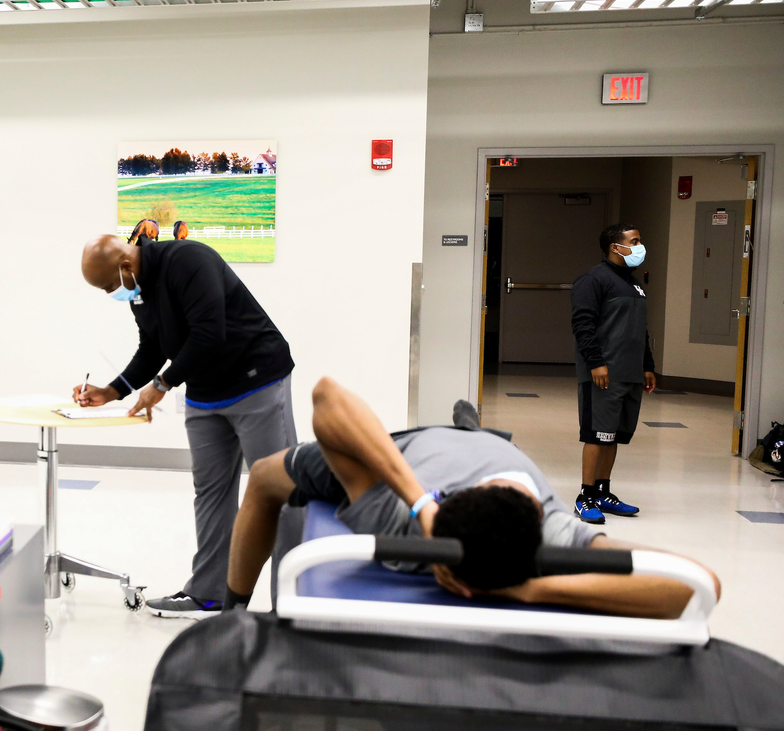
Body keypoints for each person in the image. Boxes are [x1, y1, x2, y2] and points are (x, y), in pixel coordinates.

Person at [225, 377, 719, 618]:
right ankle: (233, 615)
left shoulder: (399, 531)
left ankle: (471, 428)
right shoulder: (556, 535)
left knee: (265, 476)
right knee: (268, 478)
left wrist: (530, 590)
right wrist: (420, 500)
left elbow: (699, 587)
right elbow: (329, 396)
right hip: (403, 464)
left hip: (415, 471)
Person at [75, 234, 296, 618]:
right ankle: (209, 595)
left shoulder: (190, 260)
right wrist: (111, 391)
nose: (111, 293)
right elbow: (152, 347)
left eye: (109, 285)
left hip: (256, 379)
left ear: (125, 267)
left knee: (279, 492)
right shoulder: (138, 288)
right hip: (206, 392)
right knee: (209, 492)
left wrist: (161, 385)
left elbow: (210, 333)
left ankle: (293, 603)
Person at [570, 224, 657, 525]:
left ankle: (604, 492)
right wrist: (596, 362)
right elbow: (583, 324)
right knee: (597, 434)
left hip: (630, 372)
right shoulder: (593, 280)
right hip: (603, 372)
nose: (639, 246)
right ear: (614, 246)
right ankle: (585, 496)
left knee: (614, 436)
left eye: (639, 241)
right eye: (634, 241)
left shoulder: (634, 285)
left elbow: (640, 330)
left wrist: (647, 365)